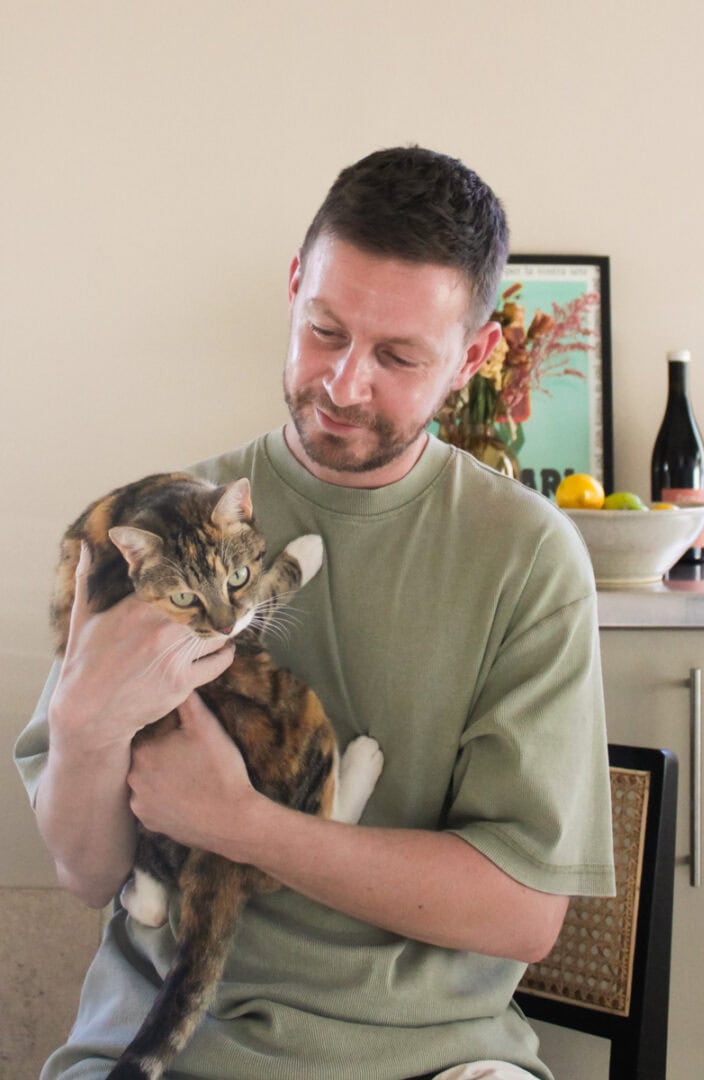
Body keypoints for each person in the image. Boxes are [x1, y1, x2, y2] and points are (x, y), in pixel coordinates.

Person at [15, 146, 615, 1080]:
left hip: (432, 1059)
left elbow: (522, 914)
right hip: (162, 1049)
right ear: (295, 285)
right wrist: (88, 724)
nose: (342, 385)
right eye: (325, 331)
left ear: (474, 358)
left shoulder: (526, 558)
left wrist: (243, 824)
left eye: (399, 357)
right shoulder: (160, 523)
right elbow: (88, 873)